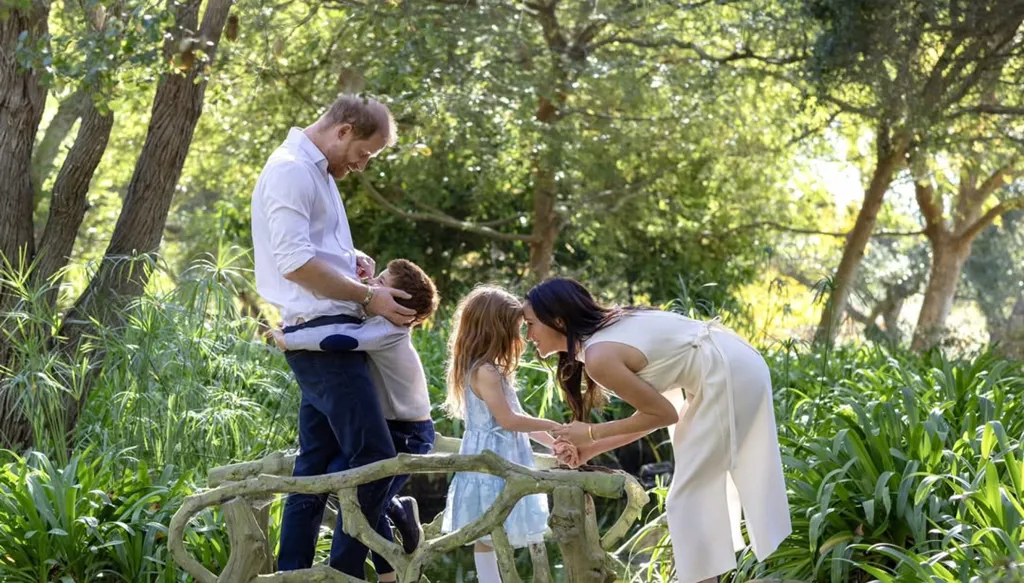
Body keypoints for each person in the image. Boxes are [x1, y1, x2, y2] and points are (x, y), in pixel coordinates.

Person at [524, 277, 791, 583]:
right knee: (695, 498)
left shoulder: (599, 355)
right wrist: (592, 447)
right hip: (731, 363)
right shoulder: (608, 332)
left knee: (688, 500)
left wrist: (590, 433)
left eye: (530, 324)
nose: (528, 335)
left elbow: (663, 414)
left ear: (558, 320)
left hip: (728, 373)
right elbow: (651, 415)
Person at [250, 93, 416, 578]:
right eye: (363, 153)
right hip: (324, 339)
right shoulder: (292, 170)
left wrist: (350, 261)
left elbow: (311, 250)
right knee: (373, 458)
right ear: (343, 130)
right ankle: (344, 573)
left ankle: (293, 572)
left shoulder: (316, 172)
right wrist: (369, 297)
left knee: (316, 465)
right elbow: (295, 264)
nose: (361, 166)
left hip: (326, 332)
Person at [270, 258, 439, 578]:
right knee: (352, 484)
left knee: (363, 491)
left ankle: (359, 566)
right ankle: (395, 518)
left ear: (400, 304)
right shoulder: (377, 321)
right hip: (392, 426)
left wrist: (290, 339)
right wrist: (364, 277)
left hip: (409, 434)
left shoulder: (388, 330)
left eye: (382, 283)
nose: (372, 287)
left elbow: (340, 338)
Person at [439, 286, 560, 583]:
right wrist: (554, 425)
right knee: (490, 529)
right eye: (516, 330)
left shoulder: (488, 369)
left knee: (494, 529)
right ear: (497, 330)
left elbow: (518, 418)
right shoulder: (485, 372)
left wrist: (554, 443)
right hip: (493, 461)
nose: (521, 337)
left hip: (499, 455)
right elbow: (509, 421)